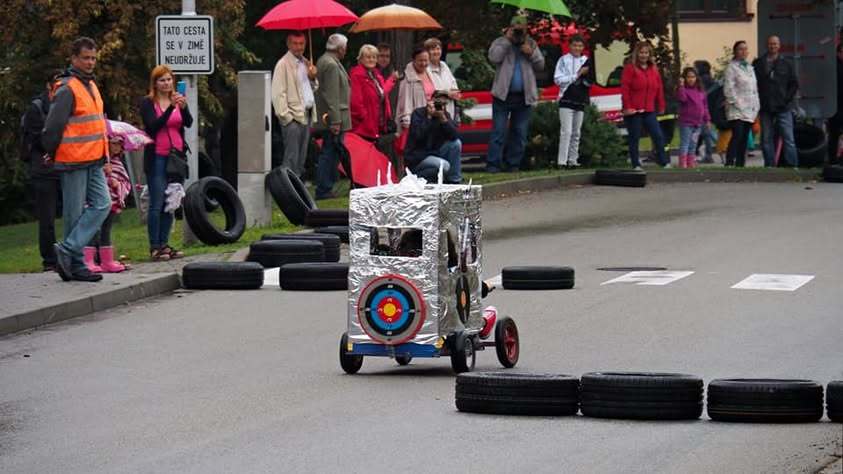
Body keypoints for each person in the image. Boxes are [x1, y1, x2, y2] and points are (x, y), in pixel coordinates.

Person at [41, 37, 112, 282]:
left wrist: (105, 156)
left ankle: (68, 249)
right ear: (73, 58)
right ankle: (76, 265)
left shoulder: (91, 85)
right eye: (85, 58)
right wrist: (51, 151)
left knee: (103, 205)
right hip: (73, 159)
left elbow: (97, 125)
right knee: (73, 213)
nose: (90, 62)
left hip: (94, 158)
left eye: (93, 58)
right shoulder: (67, 88)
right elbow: (52, 127)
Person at [140, 65, 192, 261]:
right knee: (157, 202)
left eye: (169, 79)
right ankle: (155, 246)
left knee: (171, 201)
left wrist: (183, 108)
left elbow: (188, 123)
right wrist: (170, 107)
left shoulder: (178, 100)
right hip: (157, 157)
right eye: (162, 80)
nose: (166, 83)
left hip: (175, 158)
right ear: (155, 83)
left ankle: (164, 244)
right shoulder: (147, 103)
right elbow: (153, 126)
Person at [486, 15, 545, 173]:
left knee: (519, 132)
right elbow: (493, 57)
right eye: (515, 29)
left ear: (526, 29)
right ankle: (493, 165)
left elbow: (541, 65)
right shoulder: (500, 42)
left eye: (521, 29)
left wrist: (531, 53)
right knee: (498, 131)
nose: (518, 32)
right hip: (502, 95)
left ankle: (513, 165)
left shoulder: (531, 43)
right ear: (509, 28)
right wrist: (507, 40)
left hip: (524, 96)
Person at [22, 70, 62, 272]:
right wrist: (53, 149)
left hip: (65, 165)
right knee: (47, 217)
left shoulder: (66, 103)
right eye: (57, 82)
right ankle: (50, 260)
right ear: (48, 85)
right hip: (44, 168)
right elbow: (37, 138)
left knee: (77, 210)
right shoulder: (36, 108)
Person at [271, 31, 318, 178]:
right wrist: (287, 118)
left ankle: (296, 187)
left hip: (306, 114)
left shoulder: (305, 62)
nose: (299, 47)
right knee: (291, 158)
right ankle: (287, 187)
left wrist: (312, 77)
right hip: (293, 118)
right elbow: (278, 94)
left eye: (302, 43)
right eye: (295, 43)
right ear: (288, 44)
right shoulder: (282, 64)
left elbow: (312, 88)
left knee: (301, 159)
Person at [83, 136, 131, 273]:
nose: (117, 147)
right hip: (96, 203)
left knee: (106, 230)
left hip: (112, 202)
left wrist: (117, 184)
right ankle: (88, 260)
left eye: (120, 144)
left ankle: (107, 261)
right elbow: (91, 182)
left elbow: (125, 182)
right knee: (93, 230)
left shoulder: (118, 164)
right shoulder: (97, 163)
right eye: (114, 143)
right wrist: (104, 173)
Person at [314, 33, 351, 200]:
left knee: (330, 152)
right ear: (340, 48)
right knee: (330, 152)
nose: (346, 50)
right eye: (345, 47)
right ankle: (324, 188)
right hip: (334, 116)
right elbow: (332, 94)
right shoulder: (331, 64)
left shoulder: (326, 60)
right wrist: (336, 120)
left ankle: (326, 187)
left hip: (331, 114)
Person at [621, 41, 669, 169]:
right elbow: (625, 89)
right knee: (635, 137)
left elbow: (659, 88)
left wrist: (661, 105)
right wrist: (627, 107)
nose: (644, 55)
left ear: (649, 54)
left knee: (658, 135)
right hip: (634, 111)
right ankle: (635, 164)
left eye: (646, 52)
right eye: (641, 52)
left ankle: (663, 161)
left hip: (649, 109)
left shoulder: (654, 69)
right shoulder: (630, 69)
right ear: (637, 54)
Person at [753, 35, 799, 167]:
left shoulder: (786, 63)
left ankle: (792, 165)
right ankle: (770, 165)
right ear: (766, 45)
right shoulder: (758, 63)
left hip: (783, 106)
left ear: (779, 46)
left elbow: (794, 84)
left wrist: (786, 99)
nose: (773, 46)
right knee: (766, 138)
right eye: (770, 44)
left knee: (788, 138)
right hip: (765, 106)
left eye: (775, 44)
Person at [404, 93, 462, 184]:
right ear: (431, 101)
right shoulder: (418, 113)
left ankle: (454, 180)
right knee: (444, 166)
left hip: (436, 152)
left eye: (443, 104)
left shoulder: (444, 114)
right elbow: (418, 136)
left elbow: (454, 136)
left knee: (456, 144)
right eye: (437, 103)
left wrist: (444, 120)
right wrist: (429, 117)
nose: (440, 106)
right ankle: (415, 176)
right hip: (418, 156)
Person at [553, 34, 590, 168]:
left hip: (580, 99)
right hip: (566, 99)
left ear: (583, 47)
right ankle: (561, 161)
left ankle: (573, 160)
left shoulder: (586, 60)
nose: (577, 48)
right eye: (574, 45)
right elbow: (558, 79)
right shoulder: (563, 60)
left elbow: (590, 79)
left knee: (576, 132)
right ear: (570, 46)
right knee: (566, 131)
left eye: (580, 46)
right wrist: (576, 75)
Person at [723, 40, 760, 167]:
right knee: (737, 135)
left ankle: (740, 163)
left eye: (745, 49)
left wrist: (756, 105)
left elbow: (754, 89)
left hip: (750, 109)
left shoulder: (750, 68)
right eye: (740, 49)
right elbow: (728, 88)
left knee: (745, 137)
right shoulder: (731, 68)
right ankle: (729, 162)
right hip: (737, 109)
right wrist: (736, 102)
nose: (743, 51)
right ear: (735, 52)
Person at [350, 44, 398, 141]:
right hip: (364, 126)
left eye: (374, 57)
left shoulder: (375, 74)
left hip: (377, 123)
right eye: (368, 57)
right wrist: (365, 117)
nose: (371, 60)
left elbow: (382, 94)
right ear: (361, 59)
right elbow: (356, 102)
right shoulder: (357, 75)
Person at [676, 67, 710, 169]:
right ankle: (683, 163)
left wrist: (707, 120)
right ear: (684, 78)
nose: (691, 79)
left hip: (698, 123)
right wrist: (681, 86)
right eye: (688, 77)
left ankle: (690, 162)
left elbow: (705, 107)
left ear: (696, 78)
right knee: (685, 143)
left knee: (693, 144)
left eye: (693, 77)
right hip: (686, 123)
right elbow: (682, 99)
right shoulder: (683, 90)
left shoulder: (700, 92)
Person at [396, 47, 436, 135]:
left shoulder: (430, 73)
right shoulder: (407, 78)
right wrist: (406, 122)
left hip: (431, 118)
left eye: (426, 60)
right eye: (420, 60)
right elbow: (404, 103)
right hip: (415, 123)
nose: (423, 63)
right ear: (413, 60)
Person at [424, 37, 461, 119]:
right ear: (427, 52)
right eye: (432, 49)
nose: (436, 52)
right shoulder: (425, 68)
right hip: (433, 113)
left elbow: (453, 84)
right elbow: (428, 91)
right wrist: (447, 94)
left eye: (438, 49)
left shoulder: (444, 65)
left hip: (449, 111)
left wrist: (455, 92)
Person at [693, 60, 717, 163]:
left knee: (706, 133)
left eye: (695, 67)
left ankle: (708, 155)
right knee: (704, 133)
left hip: (703, 109)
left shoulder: (702, 80)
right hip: (710, 108)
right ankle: (704, 154)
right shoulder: (710, 79)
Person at [829, 43, 843, 163]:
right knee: (834, 134)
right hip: (835, 106)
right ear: (838, 53)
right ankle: (833, 159)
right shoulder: (832, 66)